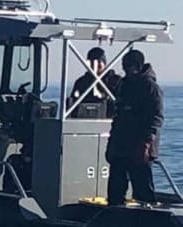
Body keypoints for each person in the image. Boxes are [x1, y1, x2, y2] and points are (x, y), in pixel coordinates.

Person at [105, 49, 163, 206]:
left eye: (129, 67)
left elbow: (155, 119)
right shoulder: (124, 85)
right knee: (115, 188)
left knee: (142, 189)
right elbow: (118, 116)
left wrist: (146, 143)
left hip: (140, 146)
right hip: (121, 144)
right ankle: (114, 215)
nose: (126, 71)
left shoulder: (150, 88)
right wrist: (112, 143)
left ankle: (148, 218)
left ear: (138, 66)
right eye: (124, 67)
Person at [68, 47, 121, 117]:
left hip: (110, 120)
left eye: (99, 62)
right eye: (92, 62)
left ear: (104, 63)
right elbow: (72, 102)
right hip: (84, 121)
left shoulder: (116, 81)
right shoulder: (81, 82)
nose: (95, 65)